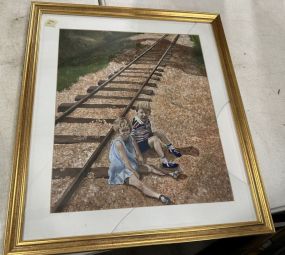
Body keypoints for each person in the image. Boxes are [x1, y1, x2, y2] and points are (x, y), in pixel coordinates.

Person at [108, 117, 172, 205]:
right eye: (123, 130)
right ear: (118, 131)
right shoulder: (118, 143)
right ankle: (160, 196)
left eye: (128, 129)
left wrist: (140, 159)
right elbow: (125, 161)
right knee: (139, 184)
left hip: (131, 163)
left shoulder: (131, 138)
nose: (126, 132)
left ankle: (171, 174)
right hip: (121, 168)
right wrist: (134, 171)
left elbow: (138, 153)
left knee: (150, 168)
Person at [131, 102, 182, 169]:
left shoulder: (146, 120)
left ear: (149, 113)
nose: (144, 115)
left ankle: (171, 148)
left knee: (159, 132)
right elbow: (132, 138)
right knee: (155, 139)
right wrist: (138, 153)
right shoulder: (136, 124)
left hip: (145, 139)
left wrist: (153, 135)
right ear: (137, 112)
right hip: (139, 145)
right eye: (141, 112)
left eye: (146, 113)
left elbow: (149, 130)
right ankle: (164, 162)